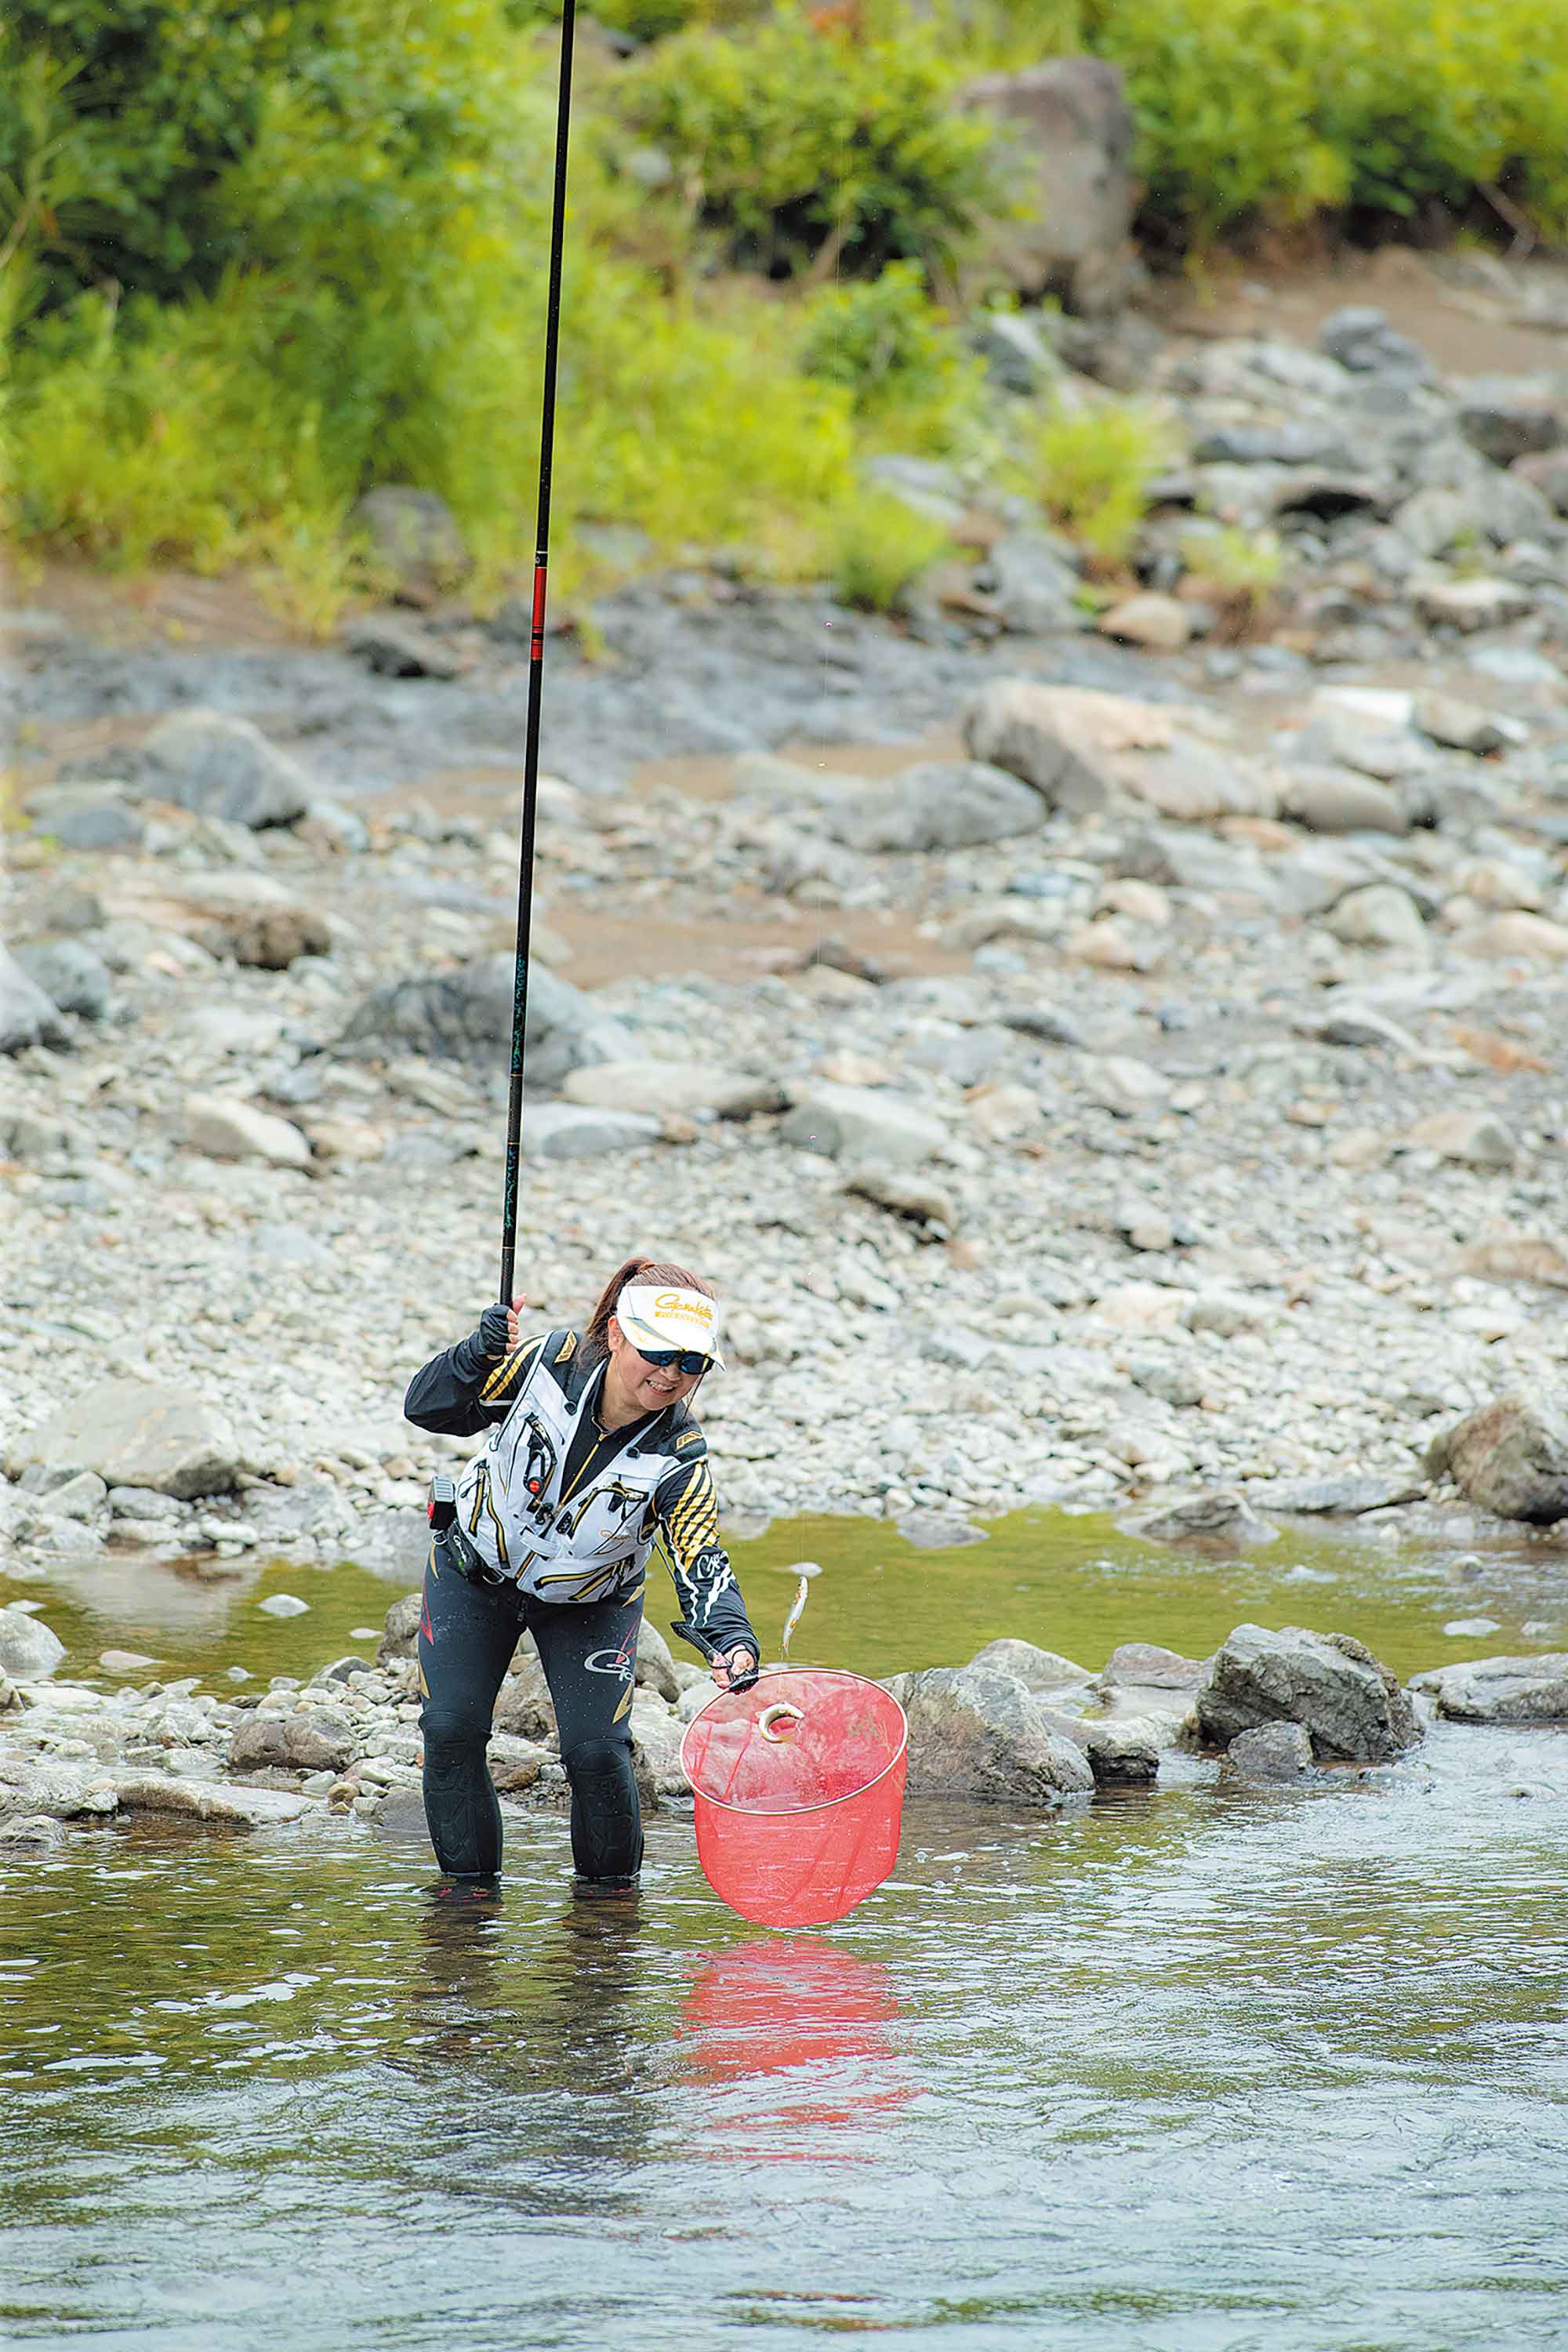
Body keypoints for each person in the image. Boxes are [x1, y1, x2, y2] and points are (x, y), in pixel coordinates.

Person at [403, 1255, 759, 1899]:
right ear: (619, 1334)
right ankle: (466, 1911)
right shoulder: (546, 1361)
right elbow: (427, 1408)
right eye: (659, 1353)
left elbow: (702, 1560)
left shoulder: (679, 1458)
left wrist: (730, 1640)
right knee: (451, 1732)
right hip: (471, 1571)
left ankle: (608, 1920)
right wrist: (476, 1355)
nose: (672, 1375)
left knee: (597, 1754)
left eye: (693, 1363)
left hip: (590, 1603)